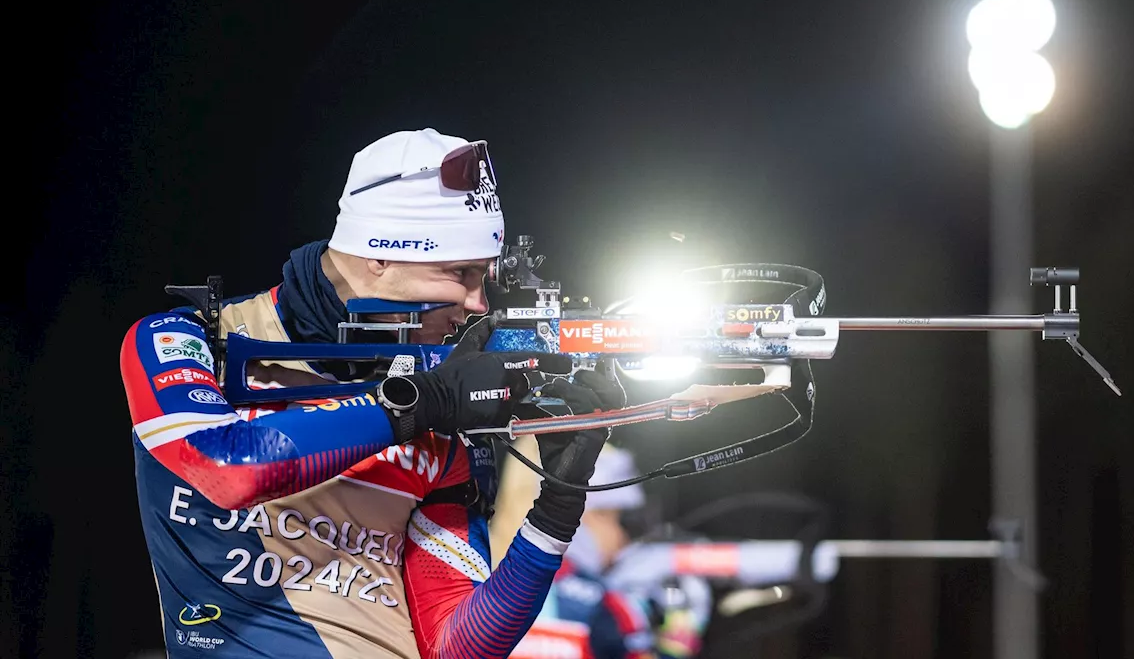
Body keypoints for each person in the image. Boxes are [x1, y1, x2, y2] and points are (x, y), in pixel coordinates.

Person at [120, 127, 618, 658]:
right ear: (378, 256)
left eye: (484, 276)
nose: (477, 302)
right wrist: (420, 402)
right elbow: (225, 467)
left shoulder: (443, 395)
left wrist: (557, 512)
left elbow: (458, 648)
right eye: (458, 272)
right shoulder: (187, 339)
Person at [492, 440, 712, 659]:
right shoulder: (601, 604)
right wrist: (680, 641)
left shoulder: (475, 581)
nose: (620, 537)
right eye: (611, 517)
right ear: (577, 512)